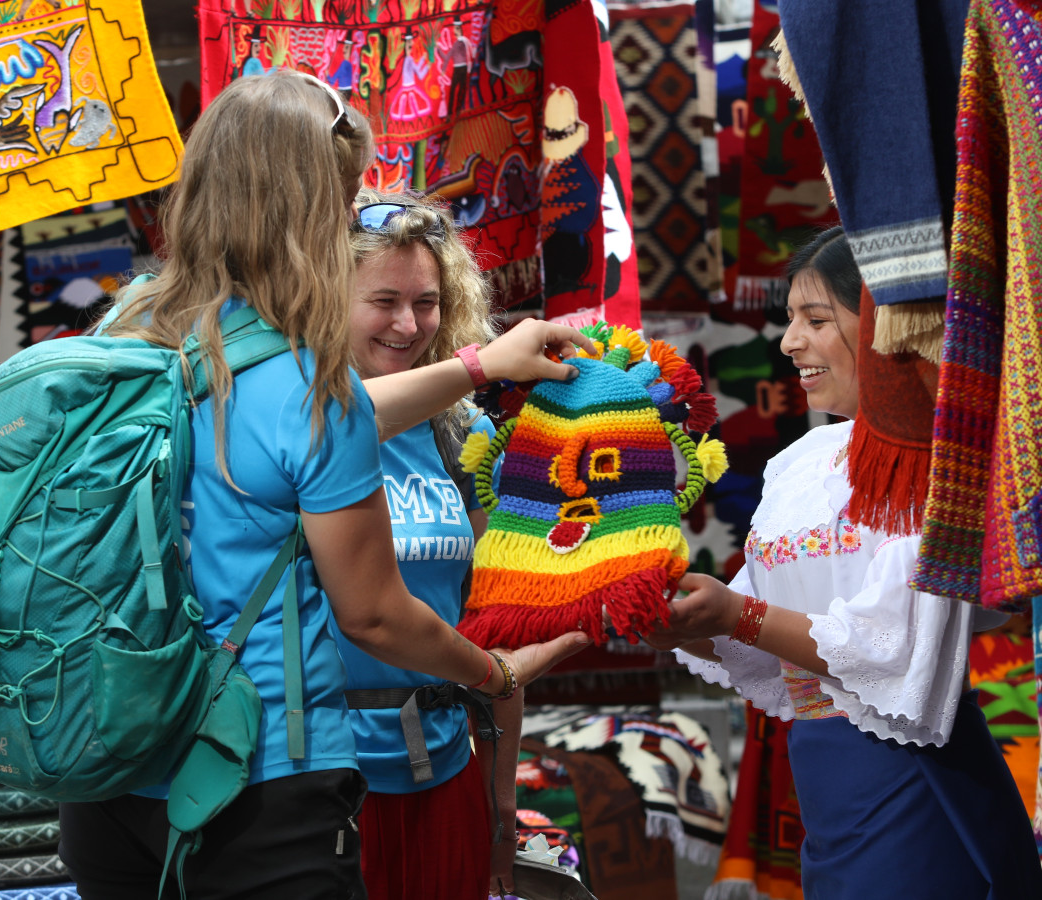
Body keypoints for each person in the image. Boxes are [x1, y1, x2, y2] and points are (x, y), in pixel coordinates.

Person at [56, 71, 593, 900]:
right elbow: (373, 613)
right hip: (259, 776)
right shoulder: (310, 391)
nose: (347, 220)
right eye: (341, 200)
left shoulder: (125, 332)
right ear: (305, 211)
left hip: (113, 761)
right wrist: (492, 675)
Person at [645, 227, 1042, 899]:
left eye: (816, 319)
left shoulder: (939, 465)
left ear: (886, 327)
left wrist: (737, 614)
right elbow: (755, 625)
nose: (788, 341)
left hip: (918, 777)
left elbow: (891, 644)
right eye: (790, 319)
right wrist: (672, 618)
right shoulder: (798, 463)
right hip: (826, 780)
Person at [336, 188, 515, 899]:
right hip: (328, 778)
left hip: (446, 773)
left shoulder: (460, 432)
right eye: (383, 300)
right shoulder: (294, 421)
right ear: (327, 296)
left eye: (428, 302)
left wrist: (500, 793)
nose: (408, 324)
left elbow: (492, 624)